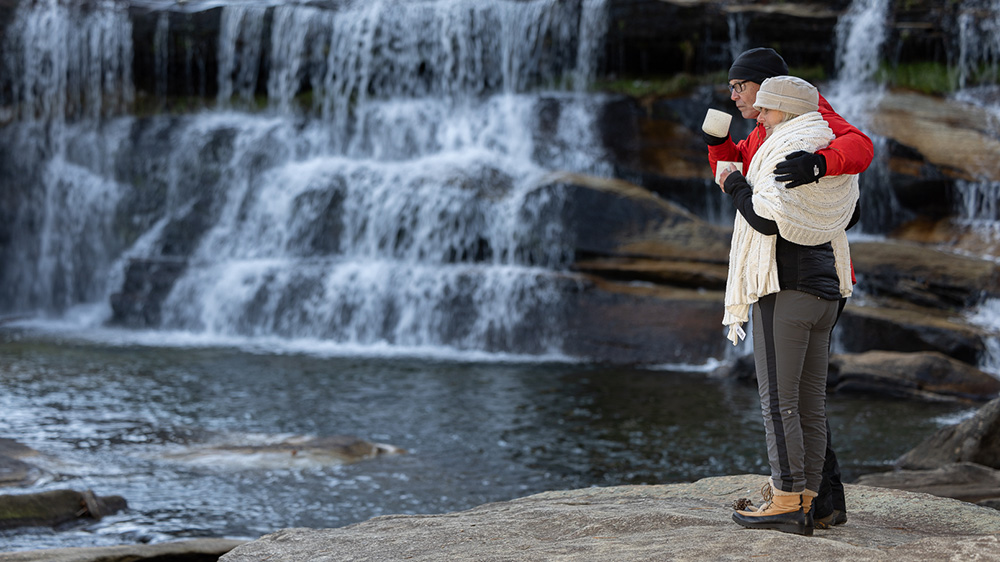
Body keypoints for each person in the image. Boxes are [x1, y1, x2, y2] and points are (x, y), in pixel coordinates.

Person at [706, 47, 872, 530]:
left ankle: (793, 499)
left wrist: (818, 164)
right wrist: (718, 146)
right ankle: (820, 502)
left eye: (740, 86)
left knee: (785, 400)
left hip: (791, 278)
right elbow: (742, 167)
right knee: (805, 400)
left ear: (767, 87)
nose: (734, 96)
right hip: (824, 282)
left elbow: (861, 148)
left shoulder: (809, 117)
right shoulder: (768, 131)